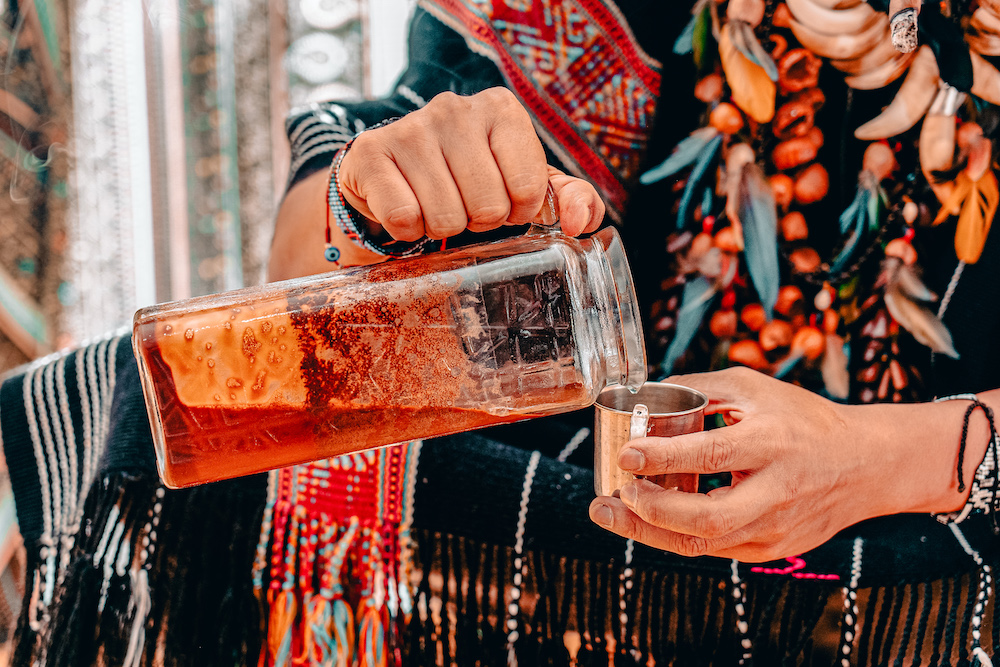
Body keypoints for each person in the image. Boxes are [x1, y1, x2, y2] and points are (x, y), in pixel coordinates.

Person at [2, 0, 999, 665]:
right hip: (587, 573)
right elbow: (312, 265)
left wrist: (904, 457)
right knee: (186, 417)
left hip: (947, 585)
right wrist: (377, 203)